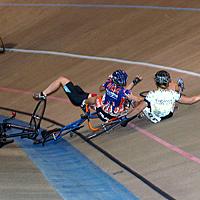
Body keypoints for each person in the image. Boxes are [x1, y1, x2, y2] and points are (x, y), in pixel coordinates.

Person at [33, 69, 143, 122]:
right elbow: (127, 94)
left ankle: (43, 94)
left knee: (62, 80)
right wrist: (145, 97)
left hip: (81, 100)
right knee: (78, 89)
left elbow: (101, 88)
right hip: (108, 107)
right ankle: (85, 103)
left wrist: (108, 80)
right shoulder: (122, 92)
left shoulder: (109, 85)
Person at [121, 70, 200, 126]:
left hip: (155, 117)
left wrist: (126, 118)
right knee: (173, 87)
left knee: (137, 102)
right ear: (167, 82)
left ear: (156, 82)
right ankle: (178, 88)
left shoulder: (151, 94)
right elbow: (191, 100)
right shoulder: (173, 94)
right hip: (169, 114)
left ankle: (142, 114)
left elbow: (138, 108)